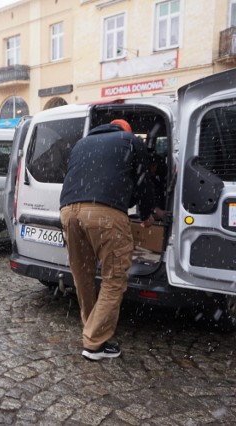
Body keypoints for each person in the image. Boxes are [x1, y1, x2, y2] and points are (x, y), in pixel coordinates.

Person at [59, 119, 155, 361]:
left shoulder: (82, 143)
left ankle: (91, 329)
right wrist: (147, 214)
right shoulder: (132, 142)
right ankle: (94, 344)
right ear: (127, 131)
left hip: (68, 211)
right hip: (105, 213)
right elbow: (143, 182)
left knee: (82, 274)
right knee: (114, 277)